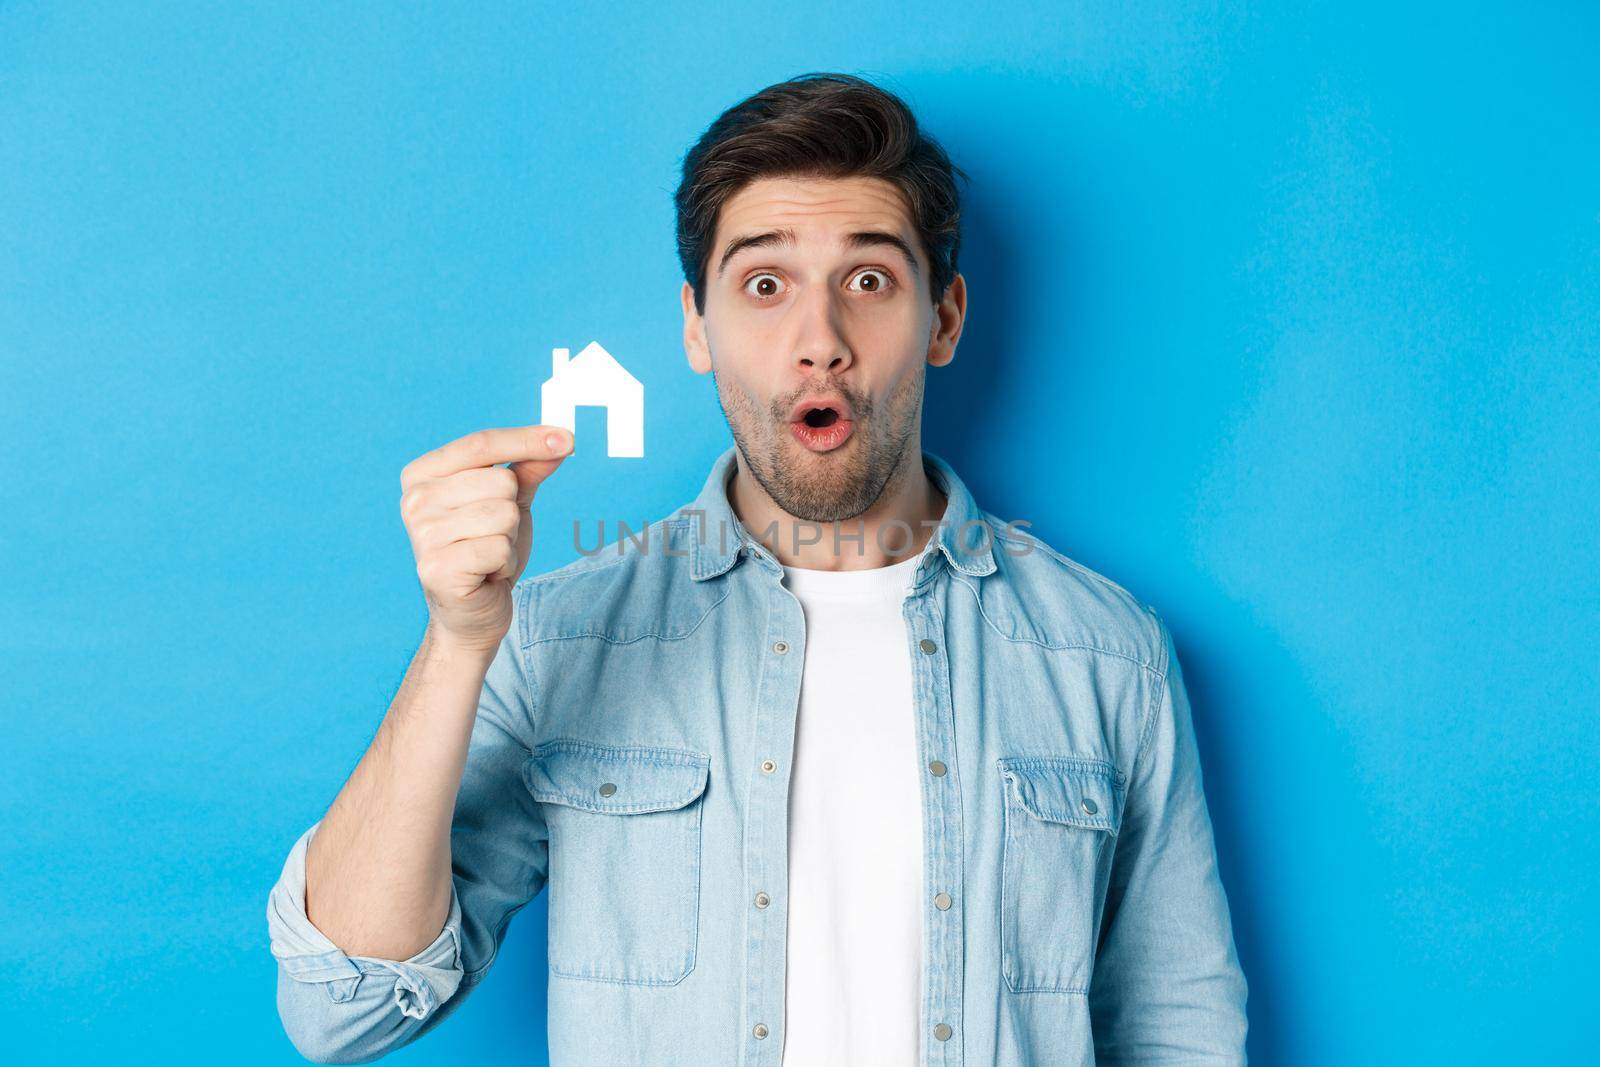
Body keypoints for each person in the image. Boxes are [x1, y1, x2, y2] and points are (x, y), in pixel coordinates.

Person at [265, 71, 1248, 1065]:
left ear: (944, 319)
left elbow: (1177, 1022)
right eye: (764, 285)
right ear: (698, 326)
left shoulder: (1104, 653)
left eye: (867, 281)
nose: (818, 342)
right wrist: (454, 643)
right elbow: (340, 1006)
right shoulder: (562, 635)